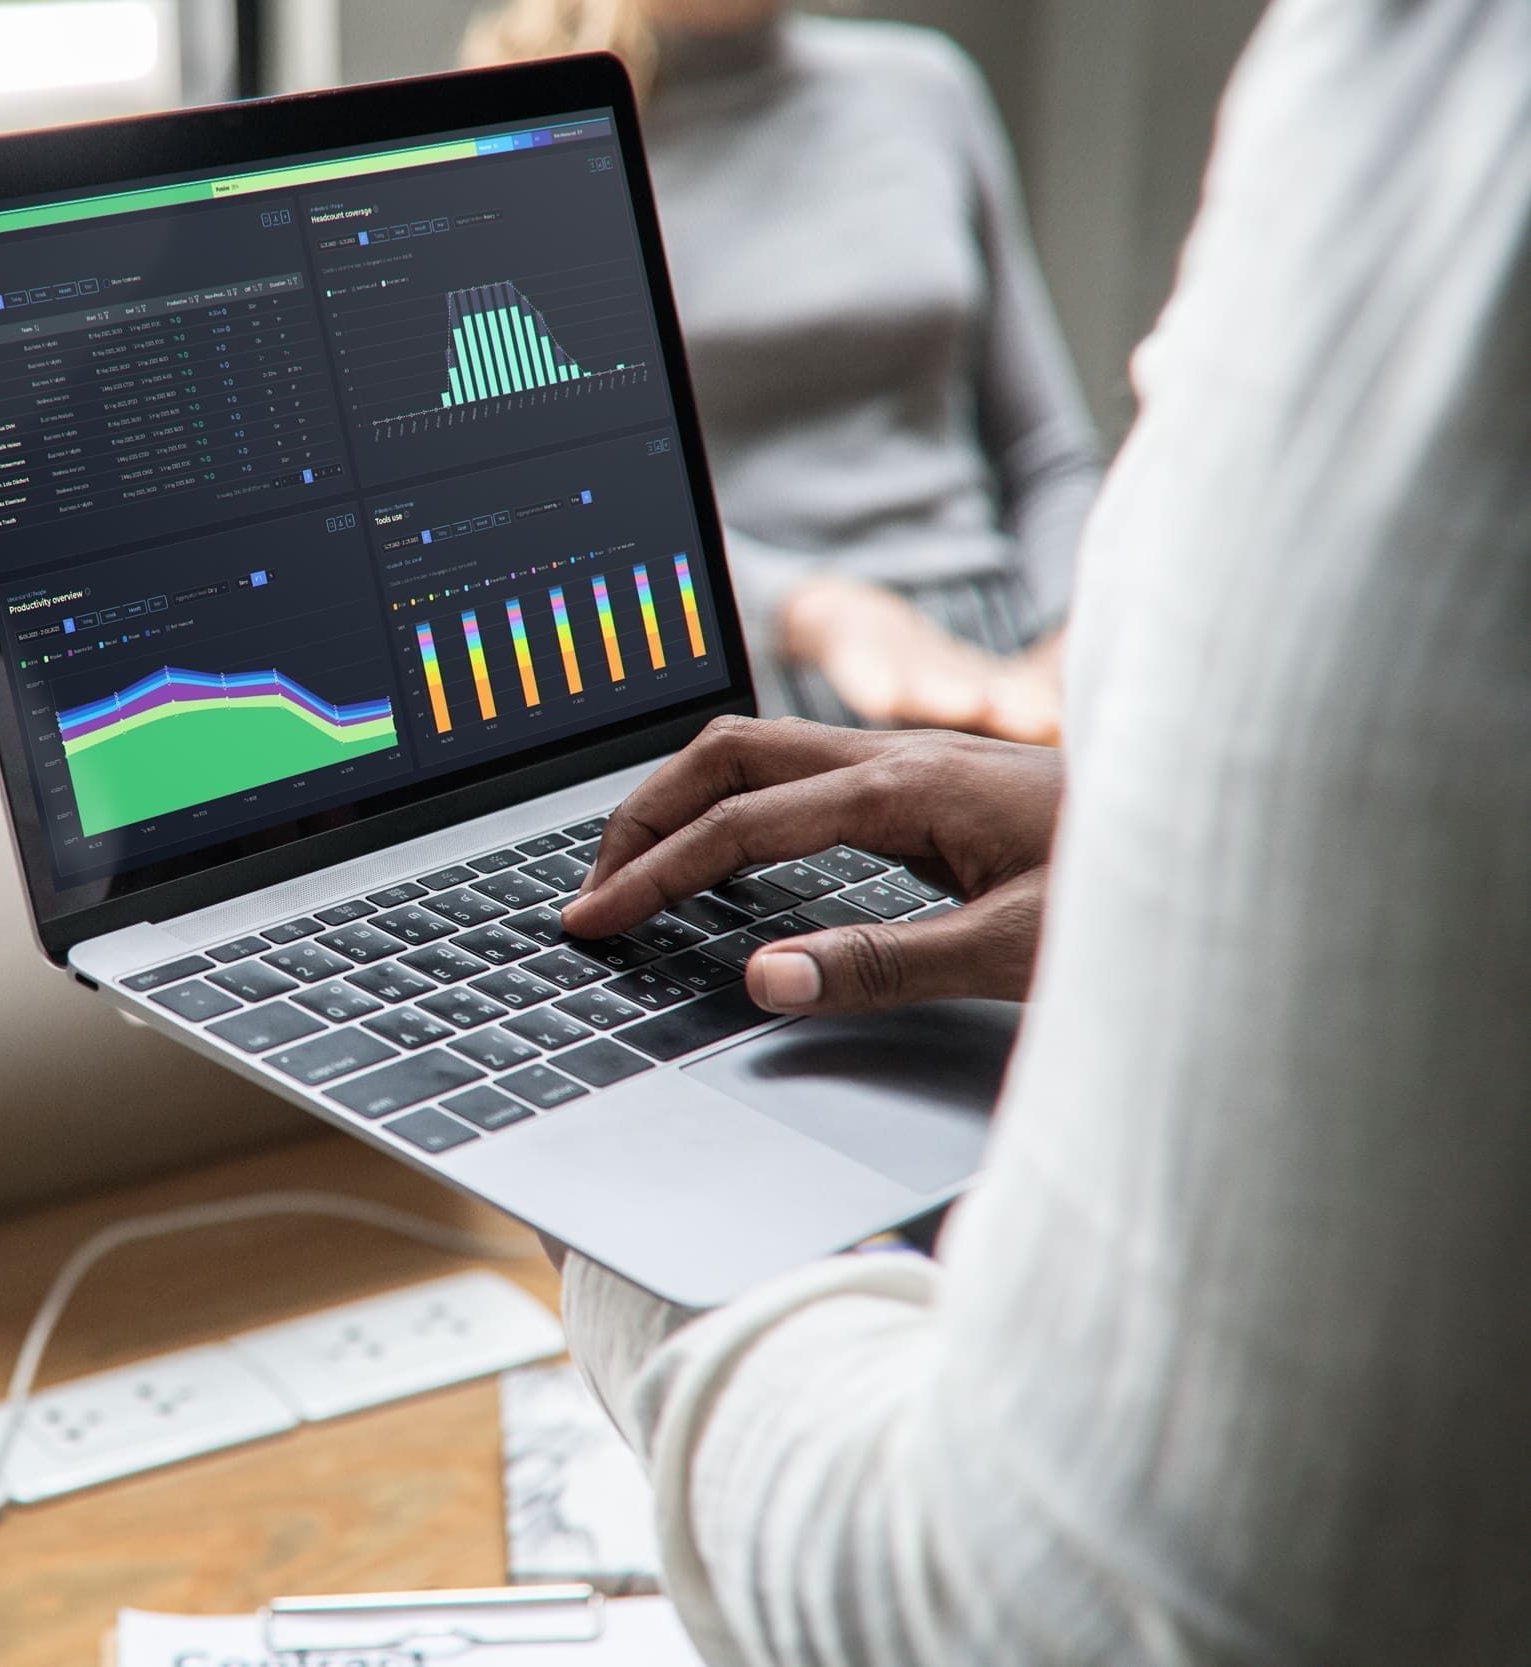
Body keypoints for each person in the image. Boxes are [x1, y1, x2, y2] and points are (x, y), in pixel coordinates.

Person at [548, 0, 1531, 1659]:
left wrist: (613, 1214)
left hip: (1023, 672)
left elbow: (1049, 1607)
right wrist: (1139, 830)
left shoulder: (1442, 118)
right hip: (818, 678)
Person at [464, 0, 1099, 742]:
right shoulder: (538, 133)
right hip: (755, 693)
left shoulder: (926, 86)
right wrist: (811, 613)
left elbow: (1048, 453)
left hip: (1007, 668)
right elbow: (559, 509)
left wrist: (1073, 644)